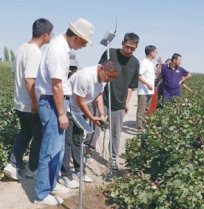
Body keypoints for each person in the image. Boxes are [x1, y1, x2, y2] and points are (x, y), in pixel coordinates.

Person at [34, 18, 95, 205]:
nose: (84, 46)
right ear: (76, 37)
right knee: (50, 150)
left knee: (58, 149)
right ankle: (41, 194)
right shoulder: (59, 50)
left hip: (57, 102)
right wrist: (62, 113)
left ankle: (50, 184)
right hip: (53, 103)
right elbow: (57, 86)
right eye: (84, 42)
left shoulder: (61, 47)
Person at [3, 18, 54, 181]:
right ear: (45, 35)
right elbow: (30, 80)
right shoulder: (35, 52)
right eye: (51, 34)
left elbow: (14, 75)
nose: (51, 37)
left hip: (19, 101)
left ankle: (13, 164)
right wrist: (34, 102)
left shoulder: (21, 48)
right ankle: (32, 169)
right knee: (38, 134)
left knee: (25, 132)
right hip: (29, 103)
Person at [60, 59, 119, 188]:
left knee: (78, 140)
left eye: (111, 79)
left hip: (79, 110)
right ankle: (65, 174)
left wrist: (101, 115)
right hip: (69, 107)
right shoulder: (85, 77)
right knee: (67, 141)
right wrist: (92, 117)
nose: (108, 80)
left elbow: (98, 96)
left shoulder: (103, 80)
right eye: (108, 77)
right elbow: (80, 101)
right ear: (102, 69)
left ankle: (78, 170)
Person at [87, 32, 140, 172]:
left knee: (116, 132)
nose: (129, 50)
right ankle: (88, 150)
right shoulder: (110, 53)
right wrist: (97, 93)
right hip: (103, 98)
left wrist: (126, 103)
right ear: (122, 43)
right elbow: (99, 71)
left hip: (120, 102)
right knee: (96, 125)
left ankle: (113, 158)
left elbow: (131, 86)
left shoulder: (135, 63)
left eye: (132, 49)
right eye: (127, 46)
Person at [136, 45, 158, 130]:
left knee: (146, 109)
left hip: (149, 91)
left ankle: (143, 125)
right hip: (143, 91)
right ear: (151, 52)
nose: (156, 53)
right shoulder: (144, 62)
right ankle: (139, 127)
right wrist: (148, 84)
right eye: (155, 52)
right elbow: (139, 76)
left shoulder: (151, 64)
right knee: (141, 110)